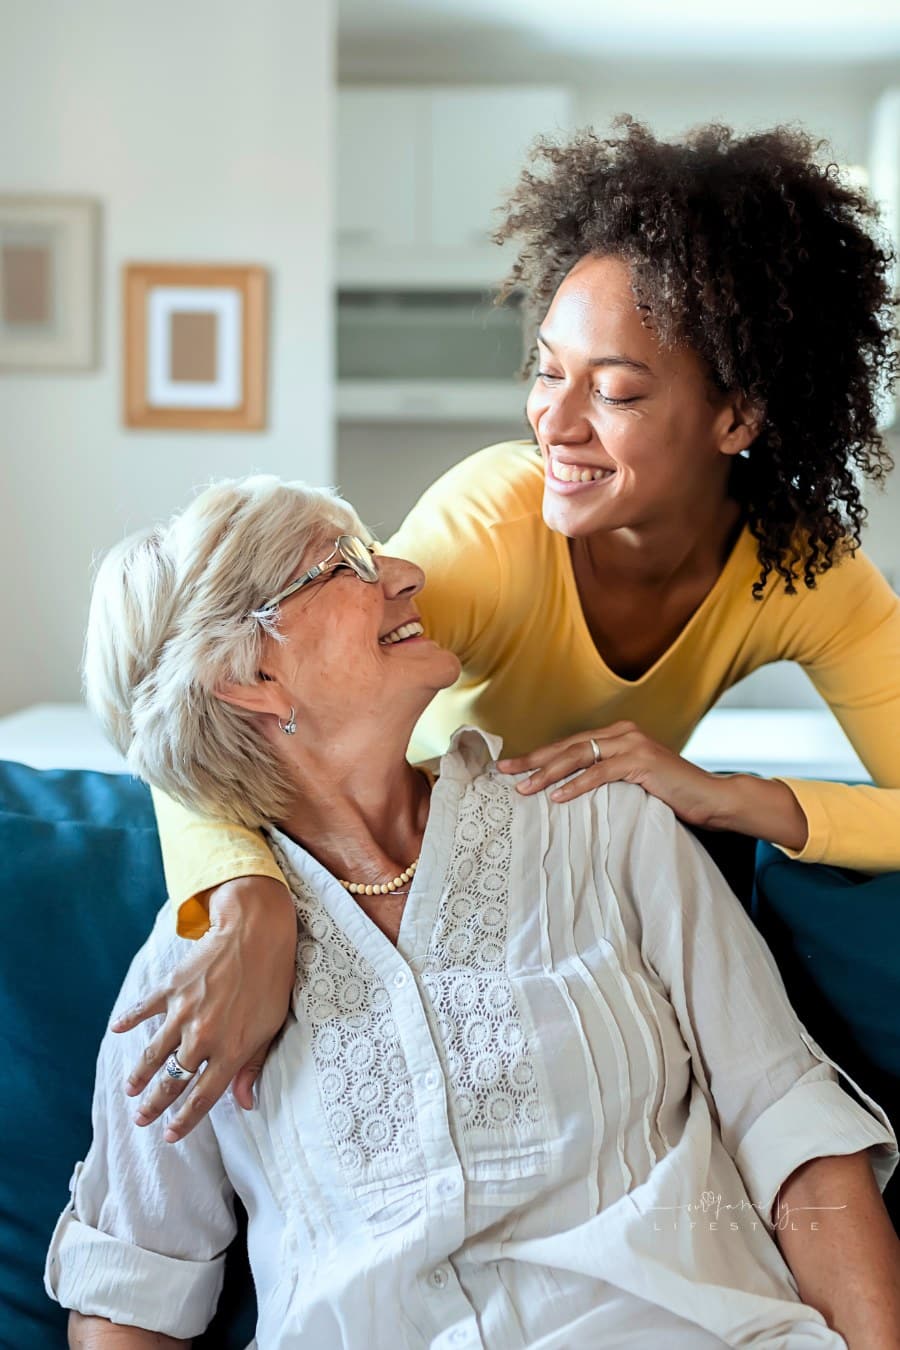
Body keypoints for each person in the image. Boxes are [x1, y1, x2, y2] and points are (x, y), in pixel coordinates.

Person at [109, 119, 900, 1148]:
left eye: (615, 391)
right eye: (546, 370)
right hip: (420, 902)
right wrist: (247, 895)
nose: (555, 423)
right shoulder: (491, 531)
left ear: (736, 418)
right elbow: (221, 699)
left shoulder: (805, 572)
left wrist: (726, 796)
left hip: (581, 916)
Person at [47, 476, 900, 1348]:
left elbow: (791, 1123)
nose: (407, 573)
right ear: (252, 676)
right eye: (344, 564)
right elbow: (132, 1291)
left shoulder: (603, 826)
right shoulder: (189, 976)